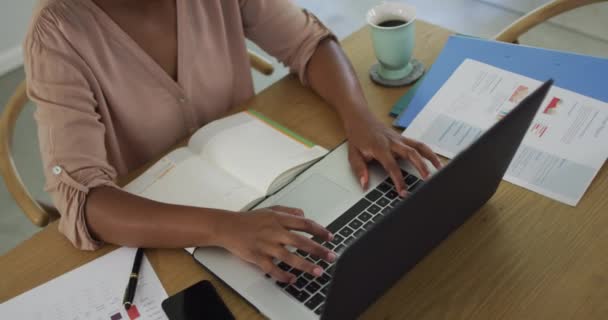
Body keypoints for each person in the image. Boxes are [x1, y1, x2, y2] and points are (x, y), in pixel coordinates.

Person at [24, 0, 441, 284]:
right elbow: (84, 200)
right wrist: (223, 227)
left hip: (264, 190)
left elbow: (307, 42)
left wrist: (360, 118)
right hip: (164, 242)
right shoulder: (57, 35)